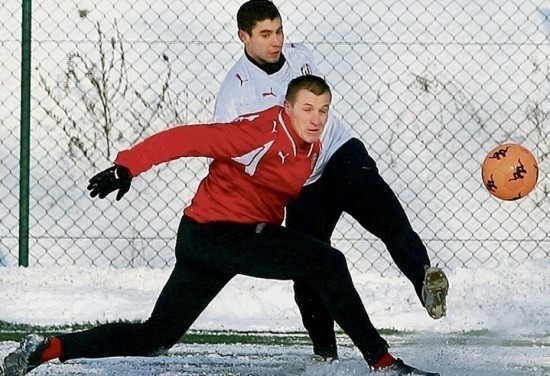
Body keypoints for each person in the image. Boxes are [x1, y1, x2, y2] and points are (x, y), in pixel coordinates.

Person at [1, 76, 439, 376]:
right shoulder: (260, 133)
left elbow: (304, 192)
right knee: (326, 262)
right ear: (286, 108)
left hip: (210, 239)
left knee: (156, 337)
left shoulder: (312, 145)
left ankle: (49, 348)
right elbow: (188, 138)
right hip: (220, 233)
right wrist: (127, 167)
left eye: (324, 110)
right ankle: (382, 361)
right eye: (307, 108)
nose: (316, 117)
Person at [213, 0, 449, 362]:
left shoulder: (301, 56)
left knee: (389, 217)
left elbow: (318, 111)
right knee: (309, 269)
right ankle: (325, 357)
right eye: (264, 34)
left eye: (278, 31)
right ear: (243, 36)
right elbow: (234, 155)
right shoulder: (235, 93)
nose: (275, 41)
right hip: (302, 184)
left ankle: (425, 279)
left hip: (340, 154)